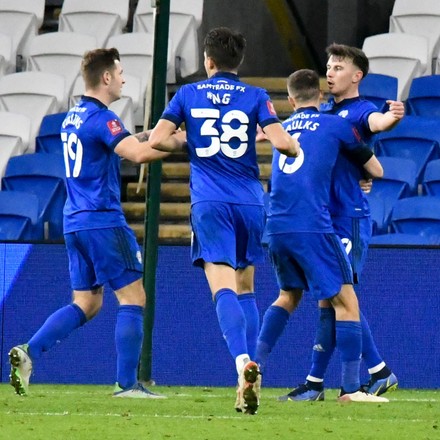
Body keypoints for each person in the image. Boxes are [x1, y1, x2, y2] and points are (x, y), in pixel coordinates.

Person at [8, 48, 182, 398]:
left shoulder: (73, 117)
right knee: (134, 298)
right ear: (106, 78)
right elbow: (138, 154)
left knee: (87, 302)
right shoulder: (105, 119)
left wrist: (155, 133)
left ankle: (29, 351)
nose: (123, 79)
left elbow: (124, 141)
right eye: (119, 73)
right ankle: (127, 384)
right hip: (102, 219)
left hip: (74, 220)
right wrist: (181, 140)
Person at [148, 27, 300, 414]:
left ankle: (240, 364)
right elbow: (282, 142)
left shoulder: (187, 94)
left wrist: (189, 140)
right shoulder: (256, 96)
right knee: (246, 285)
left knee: (222, 287)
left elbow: (157, 140)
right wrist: (289, 143)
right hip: (250, 201)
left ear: (207, 61)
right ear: (239, 62)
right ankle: (252, 371)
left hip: (210, 202)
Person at [256, 44, 404, 401]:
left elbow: (376, 124)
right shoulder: (326, 114)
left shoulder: (360, 110)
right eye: (329, 67)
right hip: (322, 217)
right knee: (331, 299)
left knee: (339, 297)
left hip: (347, 215)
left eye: (339, 67)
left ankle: (349, 380)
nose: (332, 71)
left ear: (357, 76)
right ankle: (340, 379)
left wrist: (391, 118)